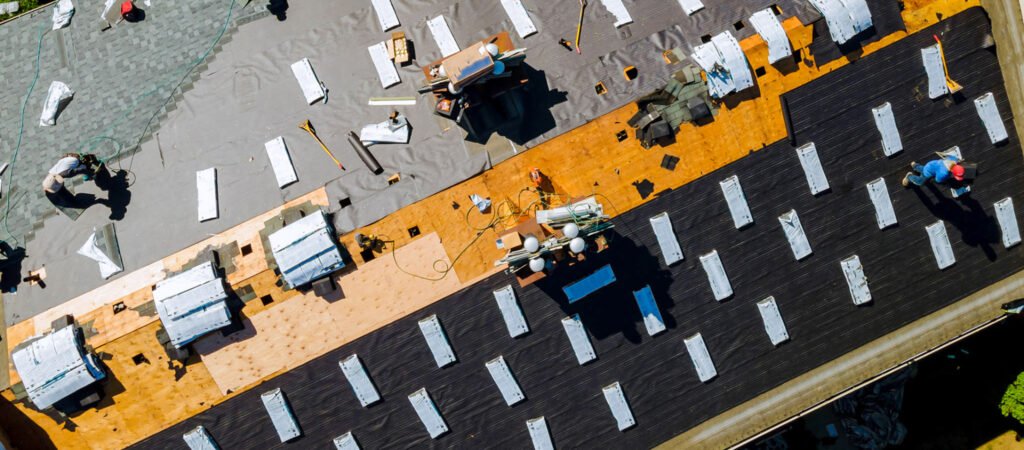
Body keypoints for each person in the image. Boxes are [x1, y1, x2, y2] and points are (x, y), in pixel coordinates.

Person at [901, 156, 966, 187]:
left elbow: (950, 157)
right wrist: (947, 178)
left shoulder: (954, 160)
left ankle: (915, 165)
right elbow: (937, 180)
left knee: (925, 169)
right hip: (928, 172)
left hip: (931, 164)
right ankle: (909, 176)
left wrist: (959, 161)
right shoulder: (944, 173)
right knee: (920, 181)